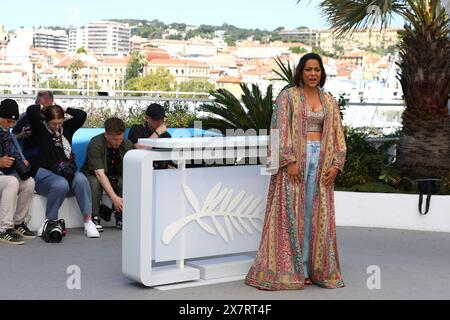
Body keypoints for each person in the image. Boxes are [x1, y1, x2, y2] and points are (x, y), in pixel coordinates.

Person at [245, 53, 347, 290]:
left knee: (315, 214)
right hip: (296, 160)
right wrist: (289, 160)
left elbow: (337, 134)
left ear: (322, 73)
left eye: (317, 70)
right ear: (301, 72)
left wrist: (336, 164)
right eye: (309, 69)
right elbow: (279, 128)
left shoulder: (329, 101)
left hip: (322, 160)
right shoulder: (287, 97)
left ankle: (314, 269)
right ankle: (292, 269)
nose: (313, 74)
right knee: (292, 212)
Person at [26, 104, 100, 239]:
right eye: (53, 123)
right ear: (46, 121)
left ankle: (88, 221)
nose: (57, 126)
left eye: (60, 122)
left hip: (66, 171)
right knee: (61, 184)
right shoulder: (40, 130)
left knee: (82, 179)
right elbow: (31, 110)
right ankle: (49, 221)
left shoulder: (66, 129)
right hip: (45, 174)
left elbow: (81, 115)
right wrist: (45, 106)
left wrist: (63, 108)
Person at [81, 118, 133, 231]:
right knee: (94, 183)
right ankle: (94, 217)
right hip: (93, 173)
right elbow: (99, 174)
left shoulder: (127, 144)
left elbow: (130, 170)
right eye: (115, 139)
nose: (118, 142)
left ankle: (121, 217)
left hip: (115, 174)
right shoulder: (95, 144)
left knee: (124, 182)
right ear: (106, 135)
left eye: (120, 138)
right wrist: (113, 197)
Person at [0, 99, 36, 245]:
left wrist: (22, 161)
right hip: (5, 179)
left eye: (13, 122)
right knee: (12, 181)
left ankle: (18, 223)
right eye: (8, 121)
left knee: (29, 182)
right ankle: (3, 229)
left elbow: (17, 155)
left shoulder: (9, 135)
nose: (11, 125)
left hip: (4, 177)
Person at [13, 91, 55, 176]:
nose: (43, 109)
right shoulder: (27, 116)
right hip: (33, 150)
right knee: (38, 154)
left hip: (50, 149)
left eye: (46, 104)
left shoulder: (55, 116)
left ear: (51, 101)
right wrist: (22, 135)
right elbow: (13, 134)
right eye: (40, 105)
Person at [128, 103, 174, 170]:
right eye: (156, 119)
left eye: (162, 119)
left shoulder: (166, 135)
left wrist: (170, 166)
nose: (160, 123)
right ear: (147, 118)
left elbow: (170, 158)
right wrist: (157, 132)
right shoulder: (136, 129)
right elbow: (141, 149)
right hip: (141, 171)